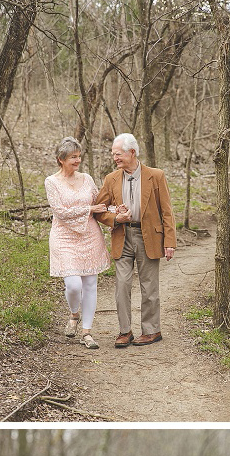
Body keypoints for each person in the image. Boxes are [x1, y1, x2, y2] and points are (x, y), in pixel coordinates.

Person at [93, 134, 176, 348]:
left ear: (132, 152)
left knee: (149, 286)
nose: (115, 158)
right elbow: (98, 210)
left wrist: (170, 242)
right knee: (122, 285)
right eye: (113, 155)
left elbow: (167, 211)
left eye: (118, 154)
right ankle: (124, 331)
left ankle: (151, 331)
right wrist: (115, 218)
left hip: (148, 235)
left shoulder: (156, 176)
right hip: (122, 235)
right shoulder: (111, 179)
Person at [44, 137, 111, 350]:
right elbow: (61, 213)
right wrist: (88, 210)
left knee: (90, 284)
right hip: (64, 236)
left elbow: (98, 204)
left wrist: (115, 212)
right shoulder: (51, 182)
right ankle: (74, 314)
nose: (78, 160)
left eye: (79, 156)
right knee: (73, 285)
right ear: (61, 159)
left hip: (90, 235)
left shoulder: (87, 178)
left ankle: (87, 332)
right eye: (73, 157)